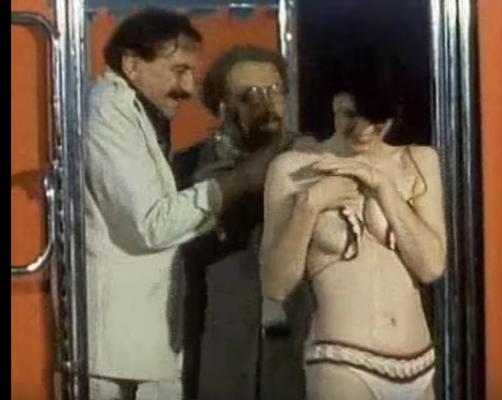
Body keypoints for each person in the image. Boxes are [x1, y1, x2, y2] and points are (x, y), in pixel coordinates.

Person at [84, 10, 279, 400]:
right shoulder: (109, 112)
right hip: (121, 355)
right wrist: (239, 181)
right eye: (178, 71)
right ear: (132, 65)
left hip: (144, 347)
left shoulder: (138, 113)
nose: (188, 88)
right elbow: (152, 223)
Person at [259, 52, 447, 400]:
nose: (362, 132)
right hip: (343, 362)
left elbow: (431, 267)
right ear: (333, 104)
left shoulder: (419, 161)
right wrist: (309, 205)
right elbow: (275, 285)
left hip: (419, 364)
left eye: (376, 121)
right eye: (349, 116)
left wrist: (383, 188)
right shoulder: (292, 168)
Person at [172, 45, 308, 400]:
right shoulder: (187, 167)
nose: (267, 103)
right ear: (222, 106)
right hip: (221, 343)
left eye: (274, 91)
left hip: (295, 339)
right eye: (250, 95)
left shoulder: (309, 157)